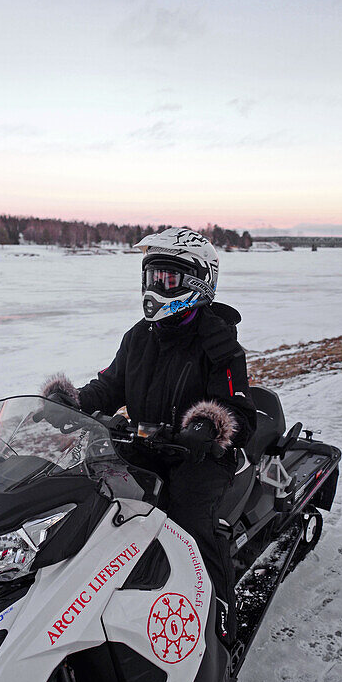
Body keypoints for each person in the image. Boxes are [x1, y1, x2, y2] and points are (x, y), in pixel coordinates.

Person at [40, 228, 256, 648]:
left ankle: (223, 629)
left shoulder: (217, 341)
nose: (156, 287)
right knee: (92, 507)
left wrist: (206, 425)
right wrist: (72, 402)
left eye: (168, 279)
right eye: (152, 277)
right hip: (143, 447)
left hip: (200, 457)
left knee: (193, 527)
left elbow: (239, 410)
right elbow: (110, 385)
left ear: (197, 282)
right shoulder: (139, 336)